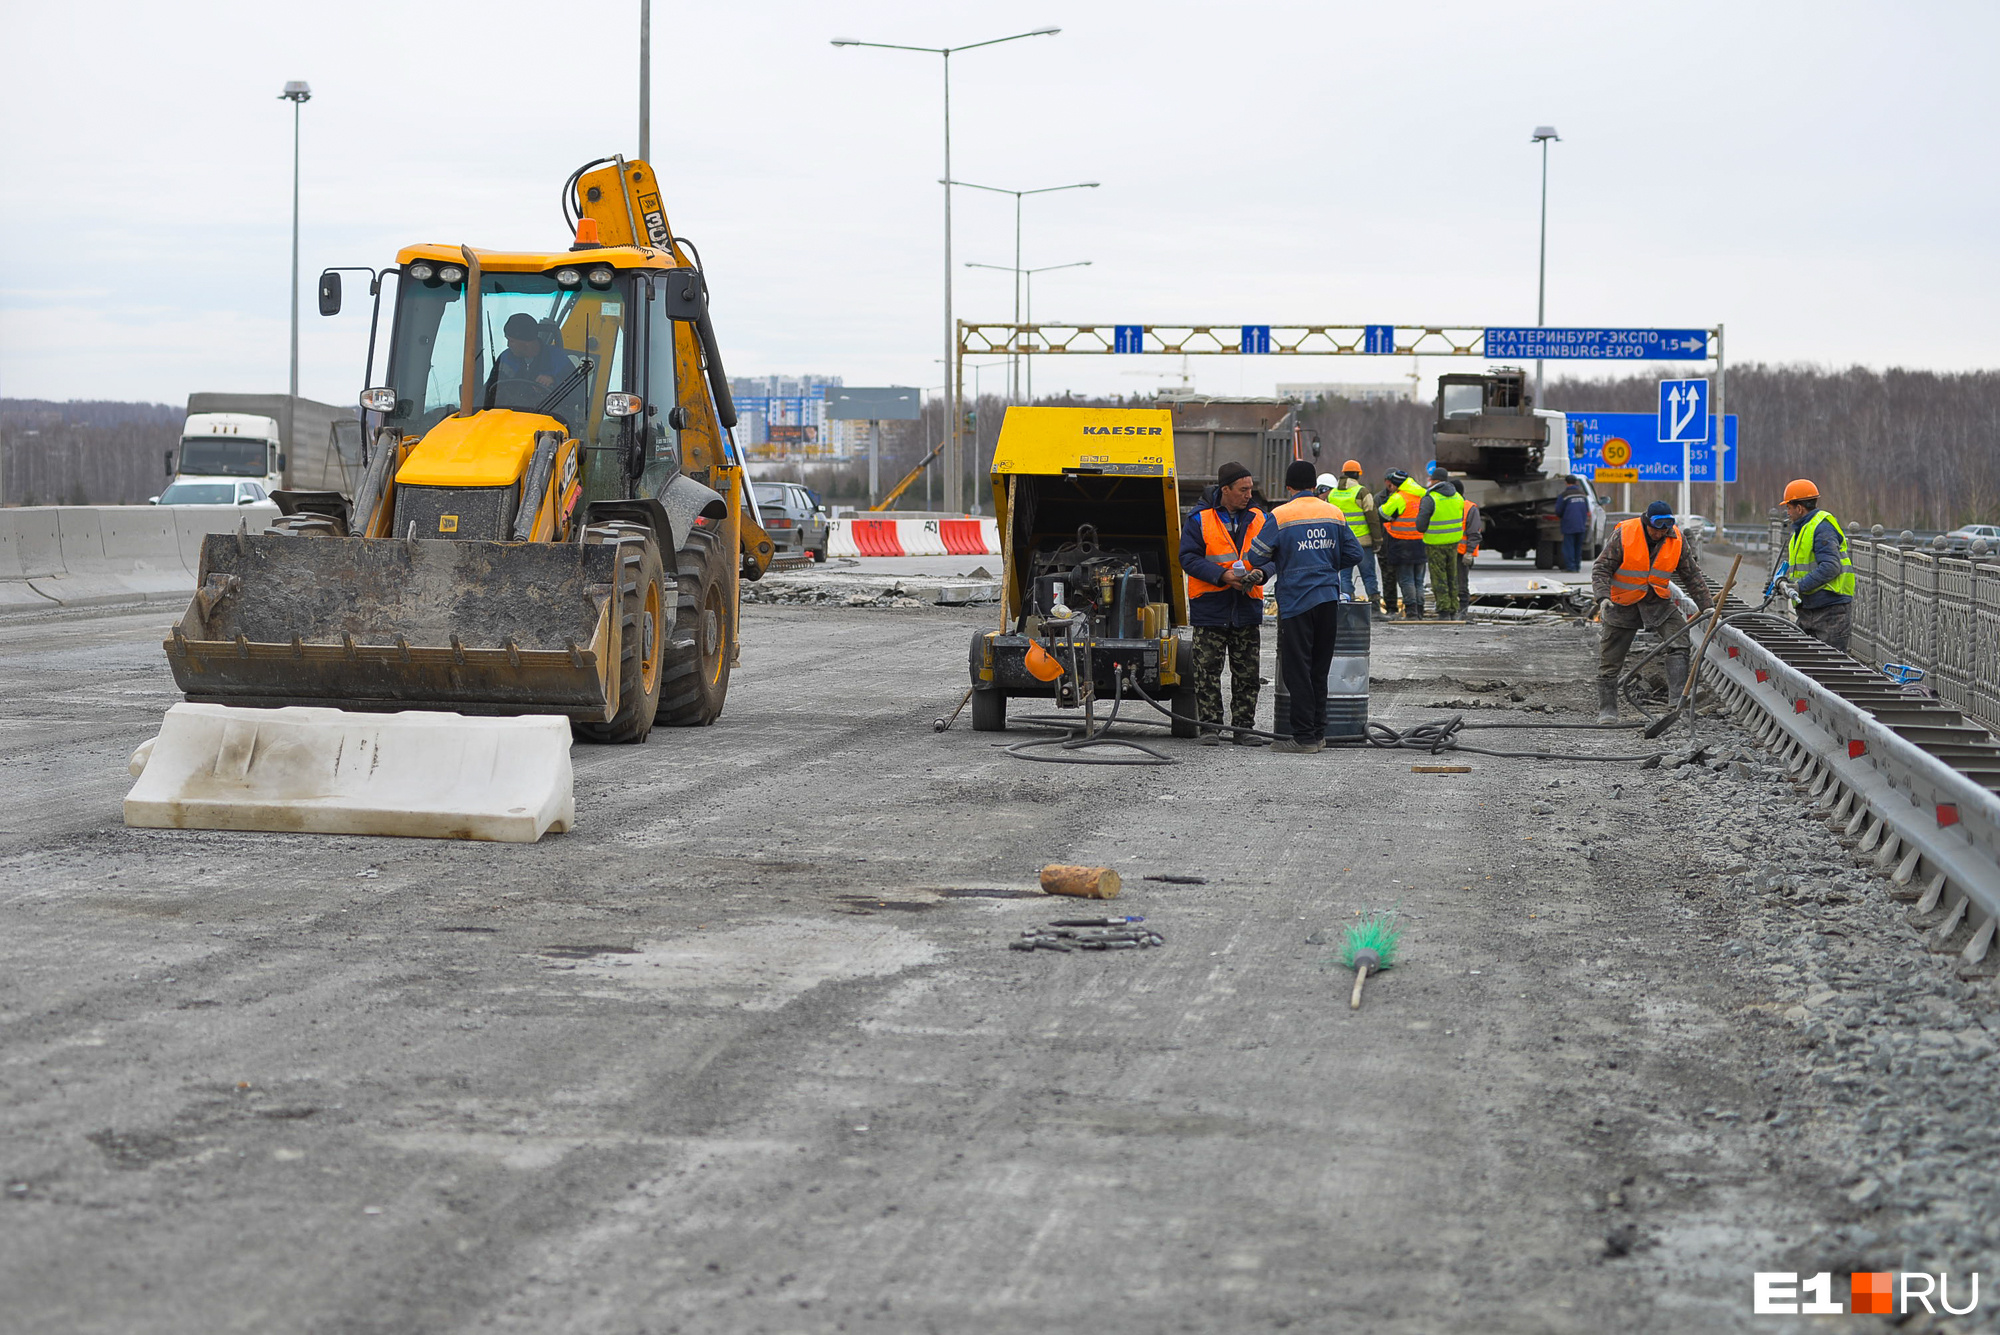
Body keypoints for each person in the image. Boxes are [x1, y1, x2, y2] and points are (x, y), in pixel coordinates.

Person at [1249, 460, 1364, 753]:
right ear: (1314, 485)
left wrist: (1289, 560)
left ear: (1289, 487)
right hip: (1327, 599)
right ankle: (1318, 733)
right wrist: (1324, 565)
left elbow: (1255, 555)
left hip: (1297, 602)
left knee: (1296, 670)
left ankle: (1302, 738)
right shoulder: (1333, 513)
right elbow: (1354, 553)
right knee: (1318, 668)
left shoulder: (1281, 515)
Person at [1591, 500, 1715, 723]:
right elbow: (1602, 568)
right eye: (1656, 528)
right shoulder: (1625, 534)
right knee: (1610, 659)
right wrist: (1602, 596)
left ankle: (1677, 703)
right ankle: (1607, 710)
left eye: (1665, 528)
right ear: (1646, 521)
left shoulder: (1676, 538)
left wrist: (1707, 606)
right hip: (1621, 603)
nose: (1660, 533)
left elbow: (1692, 575)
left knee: (1679, 641)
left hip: (1657, 602)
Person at [1178, 462, 1274, 746]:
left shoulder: (1259, 517)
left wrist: (1263, 573)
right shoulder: (1199, 519)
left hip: (1245, 607)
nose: (1248, 495)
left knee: (1247, 673)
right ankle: (1210, 727)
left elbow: (1274, 555)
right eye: (1243, 490)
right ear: (1225, 490)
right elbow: (1189, 558)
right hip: (1211, 607)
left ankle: (1244, 728)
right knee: (1207, 672)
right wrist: (1223, 576)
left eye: (1250, 489)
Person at [1777, 478, 1854, 650]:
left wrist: (1799, 587)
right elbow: (1803, 567)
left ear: (1799, 508)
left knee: (1829, 666)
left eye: (1788, 507)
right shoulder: (1803, 528)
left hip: (1830, 611)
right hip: (1810, 608)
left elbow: (1831, 567)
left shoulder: (1821, 528)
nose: (1787, 512)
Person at [1320, 460, 1384, 609]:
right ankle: (1374, 606)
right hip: (1363, 542)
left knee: (1345, 576)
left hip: (1342, 542)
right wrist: (1378, 540)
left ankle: (1348, 607)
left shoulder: (1333, 493)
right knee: (1368, 575)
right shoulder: (1362, 492)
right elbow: (1372, 517)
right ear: (1357, 474)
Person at [486, 313, 574, 408]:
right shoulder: (505, 359)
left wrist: (554, 382)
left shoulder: (557, 358)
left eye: (511, 341)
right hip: (508, 418)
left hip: (546, 418)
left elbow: (578, 395)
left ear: (527, 342)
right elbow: (487, 393)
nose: (508, 345)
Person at [1377, 469, 1429, 618]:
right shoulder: (1422, 495)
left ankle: (1411, 612)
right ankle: (1420, 610)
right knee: (1419, 580)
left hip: (1402, 544)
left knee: (1406, 580)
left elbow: (1382, 513)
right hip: (1421, 542)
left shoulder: (1399, 498)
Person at [1416, 467, 1466, 620]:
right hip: (1453, 542)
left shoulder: (1430, 498)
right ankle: (1453, 610)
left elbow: (1420, 524)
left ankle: (1444, 611)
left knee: (1439, 577)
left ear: (1435, 480)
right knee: (1452, 576)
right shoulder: (1458, 496)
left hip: (1435, 542)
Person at [1557, 476, 1591, 572]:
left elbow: (1558, 510)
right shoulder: (1583, 495)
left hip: (1569, 525)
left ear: (1566, 483)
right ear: (1576, 482)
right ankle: (1577, 566)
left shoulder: (1564, 495)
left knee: (1569, 547)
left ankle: (1571, 567)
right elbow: (1587, 510)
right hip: (1581, 525)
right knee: (1578, 546)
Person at [1459, 495, 1483, 613]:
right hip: (1451, 551)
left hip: (1462, 553)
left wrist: (1469, 552)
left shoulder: (1468, 508)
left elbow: (1474, 533)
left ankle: (1462, 611)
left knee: (1461, 584)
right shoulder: (1468, 507)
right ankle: (1455, 611)